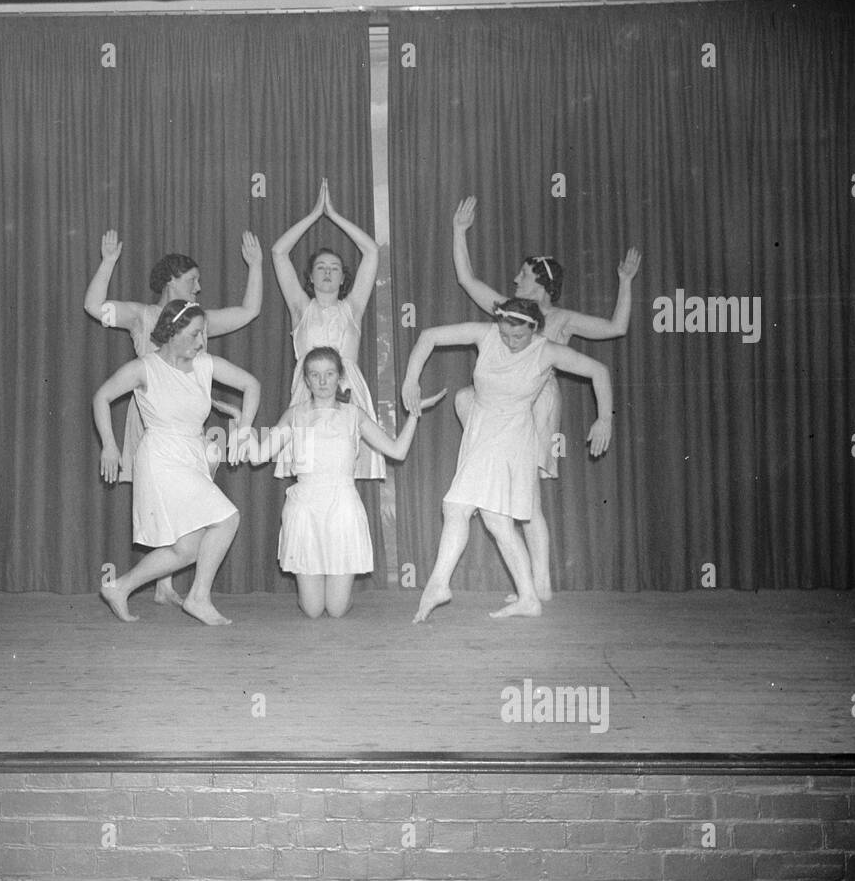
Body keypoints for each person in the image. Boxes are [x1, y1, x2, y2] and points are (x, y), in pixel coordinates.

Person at [451, 195, 640, 600]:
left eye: (523, 274)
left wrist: (625, 282)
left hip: (538, 403)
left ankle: (540, 585)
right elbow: (468, 280)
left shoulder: (560, 319)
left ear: (541, 281)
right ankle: (532, 584)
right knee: (466, 400)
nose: (516, 279)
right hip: (498, 406)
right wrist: (458, 232)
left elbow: (616, 327)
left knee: (529, 500)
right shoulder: (509, 310)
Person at [401, 298, 613, 621]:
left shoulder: (546, 351)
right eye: (506, 335)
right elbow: (428, 336)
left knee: (457, 507)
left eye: (519, 337)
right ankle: (528, 597)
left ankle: (438, 583)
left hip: (513, 436)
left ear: (535, 328)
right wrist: (410, 380)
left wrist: (604, 420)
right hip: (481, 429)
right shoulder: (486, 334)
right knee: (496, 521)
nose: (511, 342)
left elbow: (599, 371)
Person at [85, 229, 263, 606]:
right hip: (151, 416)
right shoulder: (142, 315)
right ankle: (163, 585)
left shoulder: (202, 319)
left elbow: (249, 312)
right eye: (192, 280)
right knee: (165, 500)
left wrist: (256, 266)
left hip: (191, 419)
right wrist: (108, 261)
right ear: (170, 280)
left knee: (190, 503)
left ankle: (163, 584)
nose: (198, 288)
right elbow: (93, 306)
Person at [251, 347, 445, 618]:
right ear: (306, 380)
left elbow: (397, 451)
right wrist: (242, 422)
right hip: (305, 510)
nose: (322, 381)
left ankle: (340, 593)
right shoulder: (295, 415)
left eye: (329, 374)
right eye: (315, 375)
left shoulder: (354, 415)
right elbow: (260, 456)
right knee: (313, 610)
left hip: (342, 508)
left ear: (340, 377)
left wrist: (414, 414)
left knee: (337, 609)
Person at [271, 178, 385, 479]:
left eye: (334, 268)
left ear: (343, 278)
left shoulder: (353, 308)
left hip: (347, 389)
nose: (327, 273)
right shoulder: (300, 307)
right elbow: (279, 252)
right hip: (309, 389)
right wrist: (313, 214)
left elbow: (371, 252)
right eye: (320, 267)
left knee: (343, 467)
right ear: (309, 276)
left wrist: (332, 215)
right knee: (308, 468)